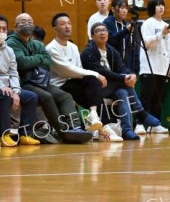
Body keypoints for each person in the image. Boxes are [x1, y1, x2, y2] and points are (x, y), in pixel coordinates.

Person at [7, 13, 91, 144]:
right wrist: (39, 58)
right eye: (23, 22)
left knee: (65, 96)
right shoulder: (11, 42)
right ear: (16, 26)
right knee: (47, 97)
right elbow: (22, 63)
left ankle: (75, 128)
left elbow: (47, 61)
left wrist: (36, 60)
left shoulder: (36, 43)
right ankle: (63, 132)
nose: (27, 24)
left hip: (39, 82)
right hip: (22, 83)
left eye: (30, 21)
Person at [46, 13, 123, 142]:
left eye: (69, 23)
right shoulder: (51, 48)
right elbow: (67, 71)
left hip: (74, 82)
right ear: (55, 28)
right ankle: (103, 128)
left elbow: (79, 69)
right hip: (59, 85)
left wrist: (93, 76)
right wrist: (96, 74)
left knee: (91, 81)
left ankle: (94, 117)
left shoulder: (74, 47)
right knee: (92, 82)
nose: (67, 26)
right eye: (63, 24)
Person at [81, 24, 162, 138]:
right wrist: (124, 78)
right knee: (125, 84)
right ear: (92, 36)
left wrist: (130, 75)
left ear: (108, 34)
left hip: (111, 87)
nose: (102, 33)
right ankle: (140, 112)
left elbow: (121, 67)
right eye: (98, 31)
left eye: (104, 30)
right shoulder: (88, 52)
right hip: (95, 90)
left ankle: (127, 130)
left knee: (123, 92)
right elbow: (103, 72)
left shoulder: (111, 50)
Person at [0, 15, 40, 147]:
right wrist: (2, 87)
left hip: (9, 87)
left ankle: (25, 134)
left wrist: (16, 91)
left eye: (4, 29)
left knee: (31, 97)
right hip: (2, 89)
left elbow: (13, 73)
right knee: (5, 95)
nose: (1, 32)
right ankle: (4, 134)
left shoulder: (9, 50)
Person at [139, 0, 170, 131]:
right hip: (149, 67)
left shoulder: (166, 26)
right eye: (158, 4)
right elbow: (146, 43)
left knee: (158, 99)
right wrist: (161, 34)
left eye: (162, 4)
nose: (161, 7)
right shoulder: (148, 23)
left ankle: (155, 124)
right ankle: (140, 124)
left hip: (162, 67)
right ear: (152, 7)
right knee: (146, 98)